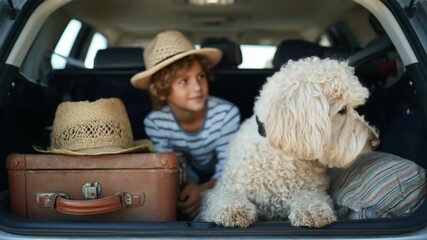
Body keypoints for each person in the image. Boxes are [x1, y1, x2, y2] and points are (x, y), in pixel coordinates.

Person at [130, 30, 241, 219]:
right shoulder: (156, 122)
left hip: (223, 181)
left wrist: (203, 191)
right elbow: (172, 166)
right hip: (189, 178)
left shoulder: (226, 114)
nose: (197, 87)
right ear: (163, 91)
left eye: (201, 76)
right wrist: (190, 184)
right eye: (184, 81)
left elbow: (230, 167)